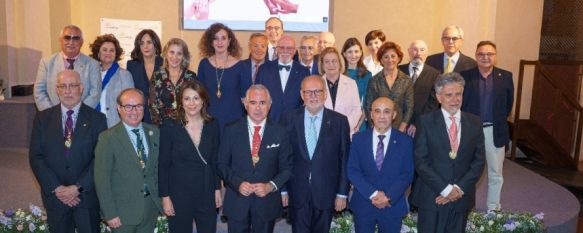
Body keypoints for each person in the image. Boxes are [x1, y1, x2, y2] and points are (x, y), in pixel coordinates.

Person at [29, 69, 107, 233]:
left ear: (82, 88)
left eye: (72, 86)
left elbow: (100, 159)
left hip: (85, 197)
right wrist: (58, 189)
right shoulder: (42, 119)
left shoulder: (98, 119)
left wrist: (77, 188)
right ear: (57, 90)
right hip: (56, 198)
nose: (68, 91)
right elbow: (36, 157)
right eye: (63, 86)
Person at [412, 73, 485, 233]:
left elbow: (478, 162)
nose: (455, 99)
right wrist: (445, 190)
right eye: (449, 95)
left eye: (458, 94)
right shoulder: (425, 122)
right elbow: (421, 162)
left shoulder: (475, 122)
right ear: (439, 97)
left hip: (461, 197)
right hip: (432, 197)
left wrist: (458, 189)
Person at [217, 85, 293, 233]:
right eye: (253, 102)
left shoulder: (281, 132)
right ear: (245, 104)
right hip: (237, 202)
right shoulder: (230, 129)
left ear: (270, 105)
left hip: (266, 203)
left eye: (262, 103)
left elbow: (287, 168)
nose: (258, 108)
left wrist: (270, 186)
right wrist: (237, 183)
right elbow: (221, 164)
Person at [279, 76, 350, 233]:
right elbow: (282, 157)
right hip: (297, 191)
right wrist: (282, 189)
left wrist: (342, 193)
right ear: (302, 94)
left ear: (325, 94)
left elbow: (344, 159)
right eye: (308, 92)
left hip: (326, 192)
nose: (313, 96)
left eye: (317, 91)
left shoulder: (340, 121)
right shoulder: (288, 118)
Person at [94, 88, 163, 233]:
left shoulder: (154, 132)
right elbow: (102, 181)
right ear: (119, 108)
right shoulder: (107, 138)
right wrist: (110, 213)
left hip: (149, 209)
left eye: (139, 106)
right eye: (128, 106)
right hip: (121, 213)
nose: (134, 111)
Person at [159, 81, 222, 233]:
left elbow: (215, 161)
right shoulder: (170, 125)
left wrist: (217, 189)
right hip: (178, 193)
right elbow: (163, 164)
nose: (191, 103)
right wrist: (165, 197)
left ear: (203, 100)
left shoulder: (213, 124)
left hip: (206, 191)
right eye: (187, 98)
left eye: (196, 98)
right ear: (181, 101)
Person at [461, 41, 514, 212]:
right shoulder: (464, 76)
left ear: (495, 56)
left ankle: (493, 209)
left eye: (490, 54)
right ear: (476, 56)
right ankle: (465, 207)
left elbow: (508, 105)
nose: (485, 57)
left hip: (494, 132)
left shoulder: (506, 76)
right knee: (466, 173)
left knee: (495, 173)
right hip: (470, 132)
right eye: (481, 54)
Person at [347, 97, 414, 233]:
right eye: (377, 111)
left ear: (394, 115)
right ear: (371, 115)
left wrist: (388, 197)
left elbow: (407, 174)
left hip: (392, 205)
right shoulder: (358, 139)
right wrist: (373, 194)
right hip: (364, 204)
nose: (382, 116)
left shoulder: (405, 141)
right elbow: (352, 171)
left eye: (387, 111)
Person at [198, 22, 251, 131]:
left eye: (223, 38)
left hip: (234, 122)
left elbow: (246, 98)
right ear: (211, 42)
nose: (220, 42)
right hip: (209, 121)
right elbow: (199, 95)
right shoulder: (204, 64)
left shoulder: (241, 66)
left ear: (229, 41)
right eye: (215, 38)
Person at [34, 25, 101, 111]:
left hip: (82, 117)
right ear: (60, 40)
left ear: (81, 42)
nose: (71, 42)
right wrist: (53, 114)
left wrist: (78, 114)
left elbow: (95, 93)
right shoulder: (46, 63)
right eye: (67, 38)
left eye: (76, 38)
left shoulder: (92, 64)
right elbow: (39, 92)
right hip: (53, 117)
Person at [256, 35, 310, 121]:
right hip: (269, 122)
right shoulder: (264, 69)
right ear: (277, 49)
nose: (285, 51)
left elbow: (306, 100)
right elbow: (257, 96)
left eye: (289, 48)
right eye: (282, 47)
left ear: (294, 51)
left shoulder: (304, 72)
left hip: (294, 123)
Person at [364, 41, 413, 133]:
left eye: (393, 56)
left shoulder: (407, 80)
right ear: (381, 60)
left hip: (399, 128)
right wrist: (374, 126)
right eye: (386, 57)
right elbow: (368, 106)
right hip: (378, 128)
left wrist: (401, 128)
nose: (390, 60)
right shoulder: (374, 80)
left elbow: (409, 107)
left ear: (398, 58)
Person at [89, 34, 135, 128]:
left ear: (116, 54)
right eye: (104, 50)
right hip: (92, 123)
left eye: (112, 50)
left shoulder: (125, 75)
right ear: (98, 53)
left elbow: (130, 104)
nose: (108, 53)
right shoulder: (91, 74)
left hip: (115, 124)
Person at [150, 38, 198, 125]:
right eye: (171, 52)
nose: (175, 57)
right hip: (164, 128)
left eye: (179, 53)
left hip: (187, 127)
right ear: (166, 54)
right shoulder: (157, 76)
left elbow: (196, 104)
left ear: (184, 56)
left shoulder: (191, 77)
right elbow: (153, 107)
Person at [398, 40, 440, 136]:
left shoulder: (435, 74)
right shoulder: (399, 70)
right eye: (415, 49)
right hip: (398, 124)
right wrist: (402, 122)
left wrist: (418, 123)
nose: (418, 53)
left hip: (422, 126)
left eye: (422, 50)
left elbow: (433, 103)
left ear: (427, 53)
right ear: (408, 51)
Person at [320, 47, 362, 135]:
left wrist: (343, 127)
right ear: (322, 65)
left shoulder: (351, 83)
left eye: (334, 61)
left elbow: (357, 110)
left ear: (340, 63)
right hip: (323, 134)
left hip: (346, 133)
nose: (331, 65)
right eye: (327, 62)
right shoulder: (317, 84)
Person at [127, 29, 164, 123]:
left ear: (156, 45)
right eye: (142, 43)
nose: (145, 46)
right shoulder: (132, 65)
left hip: (161, 115)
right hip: (139, 114)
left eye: (149, 42)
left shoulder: (164, 63)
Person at [341, 37, 373, 132]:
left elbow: (367, 103)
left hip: (359, 122)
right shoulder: (339, 73)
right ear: (344, 54)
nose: (353, 55)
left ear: (361, 52)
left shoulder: (367, 75)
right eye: (350, 52)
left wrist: (358, 124)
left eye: (356, 51)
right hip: (340, 119)